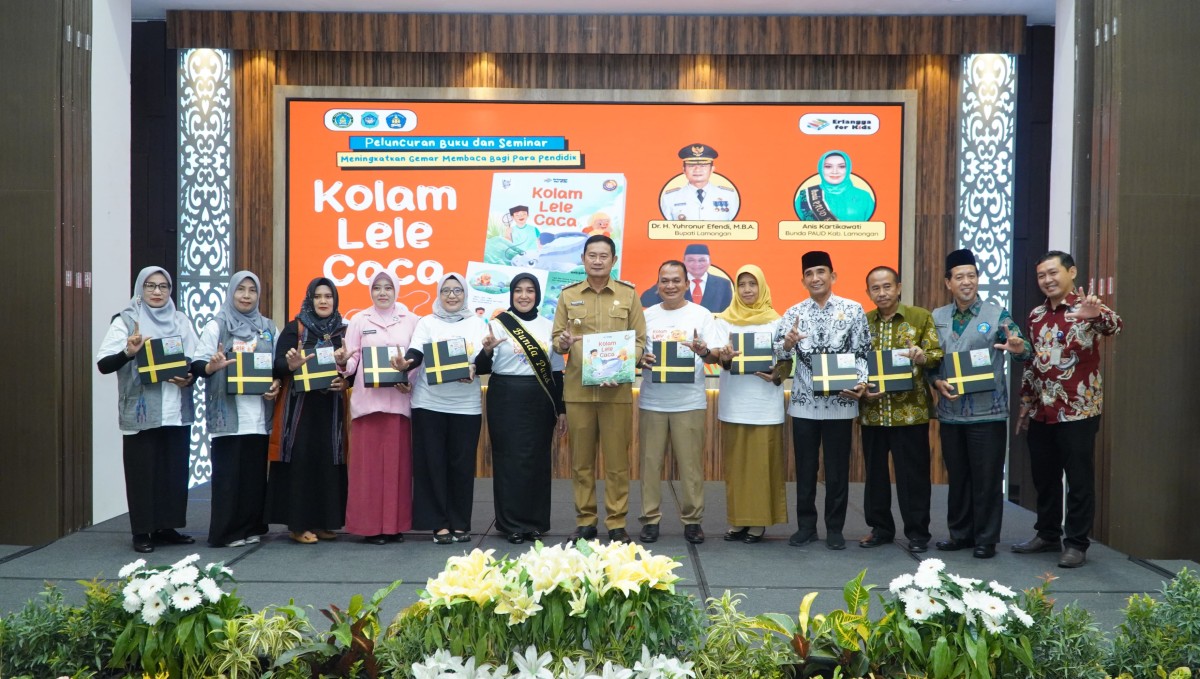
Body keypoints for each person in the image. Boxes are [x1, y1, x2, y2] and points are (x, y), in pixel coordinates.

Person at [1013, 251, 1122, 568]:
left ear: (1071, 272)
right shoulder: (1035, 316)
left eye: (1053, 273)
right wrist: (1025, 402)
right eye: (1041, 275)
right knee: (1044, 476)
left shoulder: (1088, 307)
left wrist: (1096, 315)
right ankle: (1047, 535)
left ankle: (1076, 543)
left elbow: (1116, 326)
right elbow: (1035, 363)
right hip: (1042, 410)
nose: (1047, 280)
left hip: (1078, 410)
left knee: (1078, 478)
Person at [928, 249, 1032, 559]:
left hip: (988, 413)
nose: (966, 282)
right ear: (948, 282)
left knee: (986, 478)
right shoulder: (937, 317)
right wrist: (935, 381)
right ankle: (959, 534)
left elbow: (1022, 349)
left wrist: (1017, 346)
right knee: (958, 478)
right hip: (950, 413)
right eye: (959, 277)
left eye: (971, 276)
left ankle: (986, 538)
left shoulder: (995, 314)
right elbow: (931, 361)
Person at [96, 267, 200, 553]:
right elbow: (104, 364)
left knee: (173, 471)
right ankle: (142, 532)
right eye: (150, 286)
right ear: (140, 290)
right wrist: (129, 352)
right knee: (143, 473)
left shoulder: (180, 320)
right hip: (141, 412)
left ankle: (167, 527)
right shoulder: (127, 321)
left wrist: (189, 376)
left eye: (163, 286)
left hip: (176, 409)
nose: (157, 292)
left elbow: (193, 360)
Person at [773, 251, 871, 550]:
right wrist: (787, 344)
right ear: (802, 279)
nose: (815, 278)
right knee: (804, 468)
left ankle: (835, 529)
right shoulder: (792, 314)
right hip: (804, 403)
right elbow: (777, 354)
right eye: (809, 273)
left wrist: (863, 382)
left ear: (833, 276)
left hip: (841, 404)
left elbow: (863, 353)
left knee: (838, 469)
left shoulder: (853, 310)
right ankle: (806, 527)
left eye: (821, 272)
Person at [552, 234, 646, 544]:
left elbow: (639, 342)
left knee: (618, 462)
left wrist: (619, 368)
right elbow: (556, 339)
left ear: (613, 260)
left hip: (615, 390)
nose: (597, 261)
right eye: (591, 255)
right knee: (581, 462)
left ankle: (617, 522)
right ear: (583, 259)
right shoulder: (568, 296)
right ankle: (586, 522)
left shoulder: (629, 296)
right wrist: (563, 343)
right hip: (578, 390)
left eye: (603, 256)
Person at [636, 260, 724, 545]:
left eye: (676, 280)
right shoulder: (646, 316)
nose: (670, 285)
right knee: (649, 465)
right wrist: (640, 360)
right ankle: (650, 520)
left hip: (689, 402)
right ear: (657, 284)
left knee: (690, 466)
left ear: (687, 284)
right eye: (665, 280)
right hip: (652, 402)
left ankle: (693, 521)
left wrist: (704, 350)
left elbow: (714, 356)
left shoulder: (701, 315)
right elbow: (635, 355)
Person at [857, 266, 943, 553]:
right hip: (873, 411)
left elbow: (935, 354)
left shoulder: (919, 317)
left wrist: (921, 356)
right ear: (868, 292)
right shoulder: (863, 321)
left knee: (913, 476)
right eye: (875, 288)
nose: (881, 293)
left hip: (910, 413)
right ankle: (880, 528)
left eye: (886, 287)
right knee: (876, 475)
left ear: (898, 288)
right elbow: (855, 361)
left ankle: (918, 533)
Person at [194, 271, 282, 548]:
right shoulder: (217, 326)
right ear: (231, 293)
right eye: (240, 290)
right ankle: (225, 533)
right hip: (228, 414)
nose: (246, 295)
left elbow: (277, 367)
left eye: (251, 291)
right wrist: (212, 366)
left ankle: (249, 527)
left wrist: (276, 383)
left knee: (254, 476)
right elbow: (197, 365)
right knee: (228, 477)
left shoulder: (268, 327)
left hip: (257, 414)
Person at [403, 273, 491, 544]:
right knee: (432, 465)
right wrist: (404, 364)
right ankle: (438, 525)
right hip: (429, 404)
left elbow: (485, 363)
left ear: (465, 294)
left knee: (461, 466)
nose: (452, 295)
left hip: (466, 406)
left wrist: (482, 358)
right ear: (439, 294)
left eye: (457, 291)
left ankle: (460, 523)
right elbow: (415, 354)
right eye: (446, 291)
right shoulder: (427, 322)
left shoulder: (478, 323)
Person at [334, 270, 420, 545]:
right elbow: (353, 359)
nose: (382, 293)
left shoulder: (412, 320)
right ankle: (370, 527)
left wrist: (408, 381)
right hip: (367, 404)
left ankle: (394, 526)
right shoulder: (359, 319)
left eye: (388, 287)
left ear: (396, 290)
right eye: (377, 288)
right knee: (367, 470)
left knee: (397, 469)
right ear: (371, 291)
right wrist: (342, 361)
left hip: (397, 402)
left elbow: (417, 358)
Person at [481, 273, 567, 544]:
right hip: (505, 396)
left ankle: (536, 523)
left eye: (530, 290)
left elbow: (557, 373)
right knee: (508, 460)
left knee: (538, 459)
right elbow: (483, 367)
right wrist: (485, 352)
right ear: (511, 294)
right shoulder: (498, 324)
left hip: (540, 397)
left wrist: (561, 409)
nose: (524, 295)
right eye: (518, 290)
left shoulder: (549, 326)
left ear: (537, 295)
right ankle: (511, 524)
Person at [266, 277, 349, 545]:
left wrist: (345, 379)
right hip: (300, 411)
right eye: (318, 296)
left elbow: (353, 367)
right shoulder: (295, 328)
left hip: (330, 408)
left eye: (328, 296)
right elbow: (276, 364)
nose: (324, 301)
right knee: (301, 462)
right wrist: (292, 364)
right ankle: (298, 525)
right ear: (309, 299)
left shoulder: (343, 331)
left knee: (328, 462)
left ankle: (325, 522)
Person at [713, 265, 790, 544]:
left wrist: (776, 374)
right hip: (734, 402)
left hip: (765, 404)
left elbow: (786, 360)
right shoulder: (723, 320)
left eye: (752, 284)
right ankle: (738, 520)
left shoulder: (776, 321)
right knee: (737, 466)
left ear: (762, 287)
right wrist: (724, 357)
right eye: (742, 284)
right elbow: (718, 359)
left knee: (761, 466)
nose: (747, 290)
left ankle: (758, 523)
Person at [640, 243, 733, 312]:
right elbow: (644, 300)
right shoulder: (672, 282)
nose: (696, 264)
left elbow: (727, 311)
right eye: (691, 260)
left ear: (709, 262)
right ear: (684, 261)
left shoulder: (723, 284)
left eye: (701, 260)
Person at [659, 143, 740, 221]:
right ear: (684, 170)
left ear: (712, 169)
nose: (697, 170)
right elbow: (666, 230)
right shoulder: (670, 197)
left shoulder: (729, 195)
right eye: (691, 166)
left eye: (703, 166)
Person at [794, 150, 876, 222]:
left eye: (841, 166)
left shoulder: (864, 196)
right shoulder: (805, 196)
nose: (835, 171)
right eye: (828, 166)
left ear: (848, 169)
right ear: (820, 169)